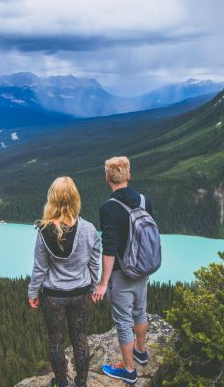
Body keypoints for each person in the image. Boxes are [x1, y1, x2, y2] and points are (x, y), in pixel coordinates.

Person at [28, 176, 101, 387]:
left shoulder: (44, 230)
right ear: (75, 198)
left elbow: (40, 268)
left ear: (52, 199)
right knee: (80, 338)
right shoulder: (89, 228)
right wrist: (94, 287)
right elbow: (94, 263)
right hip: (81, 294)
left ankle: (61, 383)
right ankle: (82, 382)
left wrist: (33, 293)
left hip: (53, 296)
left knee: (56, 340)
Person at [93, 156, 152, 385]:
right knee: (140, 311)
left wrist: (102, 282)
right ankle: (141, 351)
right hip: (142, 270)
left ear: (107, 178)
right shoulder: (145, 201)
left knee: (122, 321)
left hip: (120, 273)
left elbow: (109, 248)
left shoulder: (108, 207)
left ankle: (128, 370)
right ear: (129, 175)